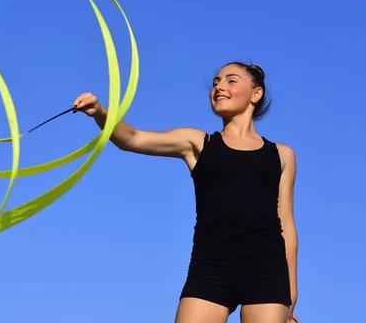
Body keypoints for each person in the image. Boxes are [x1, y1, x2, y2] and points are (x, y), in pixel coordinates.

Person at [72, 62, 299, 323]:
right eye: (215, 82)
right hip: (210, 269)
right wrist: (100, 112)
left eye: (231, 80)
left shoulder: (282, 155)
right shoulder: (197, 143)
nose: (219, 86)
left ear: (256, 94)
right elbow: (132, 139)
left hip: (267, 272)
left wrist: (291, 290)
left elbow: (286, 225)